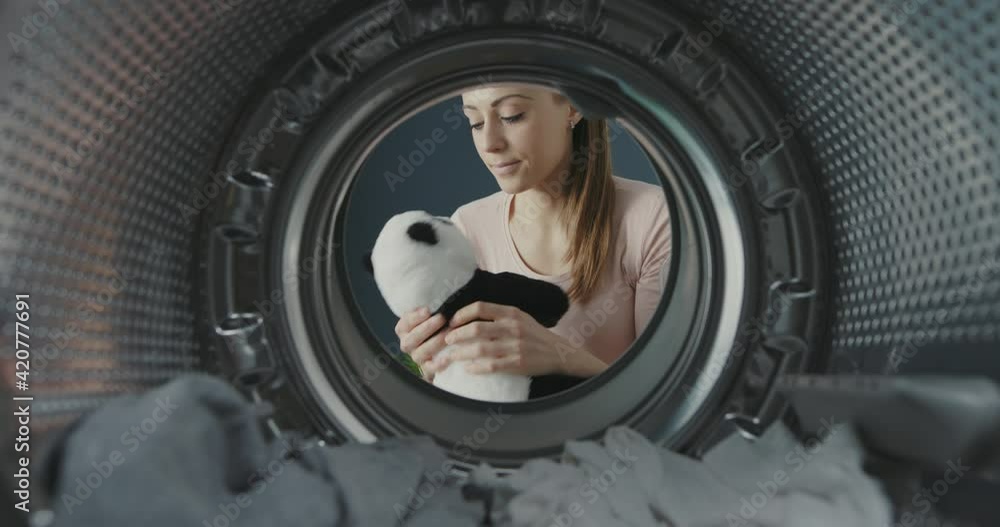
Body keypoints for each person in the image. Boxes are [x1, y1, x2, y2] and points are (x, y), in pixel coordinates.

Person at [395, 83, 671, 389]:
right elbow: (465, 392)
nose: (489, 143)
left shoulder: (652, 218)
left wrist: (563, 358)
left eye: (512, 116)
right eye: (475, 122)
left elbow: (664, 396)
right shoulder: (466, 227)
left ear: (572, 107)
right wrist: (434, 365)